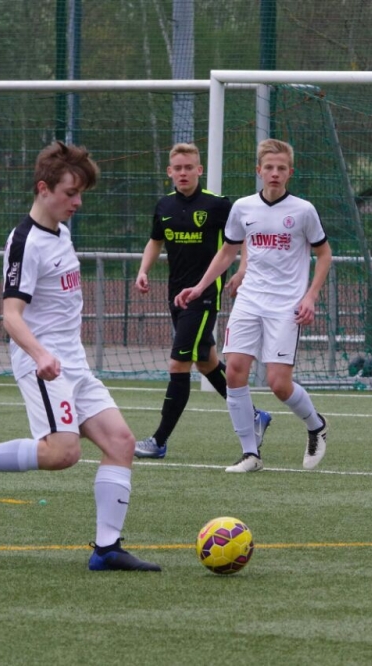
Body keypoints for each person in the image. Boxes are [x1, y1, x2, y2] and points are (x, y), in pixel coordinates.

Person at [0, 141, 160, 572]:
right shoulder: (25, 243)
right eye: (70, 193)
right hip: (43, 365)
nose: (78, 202)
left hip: (74, 363)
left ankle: (107, 549)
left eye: (80, 193)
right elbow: (10, 316)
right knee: (62, 453)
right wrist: (40, 355)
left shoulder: (61, 232)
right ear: (43, 188)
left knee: (121, 443)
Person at [174, 139, 332, 473]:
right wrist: (200, 287)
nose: (275, 173)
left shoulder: (303, 211)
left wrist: (310, 296)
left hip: (285, 305)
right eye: (269, 167)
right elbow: (227, 252)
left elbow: (324, 254)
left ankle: (316, 425)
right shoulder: (243, 208)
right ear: (259, 170)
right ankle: (250, 454)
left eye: (281, 168)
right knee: (234, 371)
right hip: (249, 300)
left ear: (290, 172)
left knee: (278, 383)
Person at [133, 143, 272, 460]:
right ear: (170, 172)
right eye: (177, 168)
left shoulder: (217, 205)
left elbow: (243, 239)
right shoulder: (164, 205)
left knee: (178, 363)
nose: (183, 173)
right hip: (176, 295)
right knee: (206, 361)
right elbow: (155, 241)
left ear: (199, 170)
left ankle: (159, 440)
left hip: (205, 295)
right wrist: (143, 270)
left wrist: (242, 270)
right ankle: (254, 416)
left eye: (188, 167)